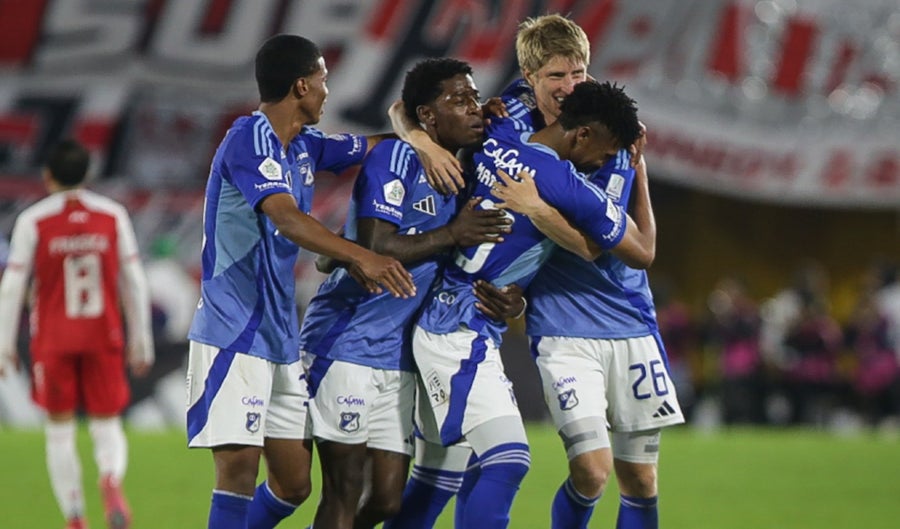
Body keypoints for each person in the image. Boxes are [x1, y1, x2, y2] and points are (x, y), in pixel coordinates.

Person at [184, 33, 424, 529]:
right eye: (322, 80)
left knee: (294, 484)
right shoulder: (249, 138)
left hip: (279, 339)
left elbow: (376, 146)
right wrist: (362, 256)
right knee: (239, 472)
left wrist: (419, 134)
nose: (326, 91)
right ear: (301, 86)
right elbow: (286, 217)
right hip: (233, 332)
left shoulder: (305, 146)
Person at [406, 79, 647, 529]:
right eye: (607, 151)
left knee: (438, 478)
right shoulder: (563, 182)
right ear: (583, 135)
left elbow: (406, 108)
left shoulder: (497, 134)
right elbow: (635, 250)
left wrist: (423, 134)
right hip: (458, 328)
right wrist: (634, 169)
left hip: (453, 313)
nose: (604, 162)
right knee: (508, 460)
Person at [297, 57, 523, 529]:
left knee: (387, 501)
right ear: (427, 116)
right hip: (347, 340)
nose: (474, 107)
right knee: (342, 489)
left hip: (399, 355)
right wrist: (452, 233)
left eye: (475, 97)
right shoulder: (397, 157)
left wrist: (515, 299)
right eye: (459, 100)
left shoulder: (469, 170)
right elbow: (377, 247)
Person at [0, 139, 155, 529]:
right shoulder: (112, 215)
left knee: (59, 431)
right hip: (103, 334)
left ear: (47, 175)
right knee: (107, 423)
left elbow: (12, 285)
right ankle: (110, 479)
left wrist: (3, 343)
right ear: (87, 174)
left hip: (54, 338)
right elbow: (134, 280)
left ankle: (74, 516)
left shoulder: (33, 220)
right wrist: (141, 339)